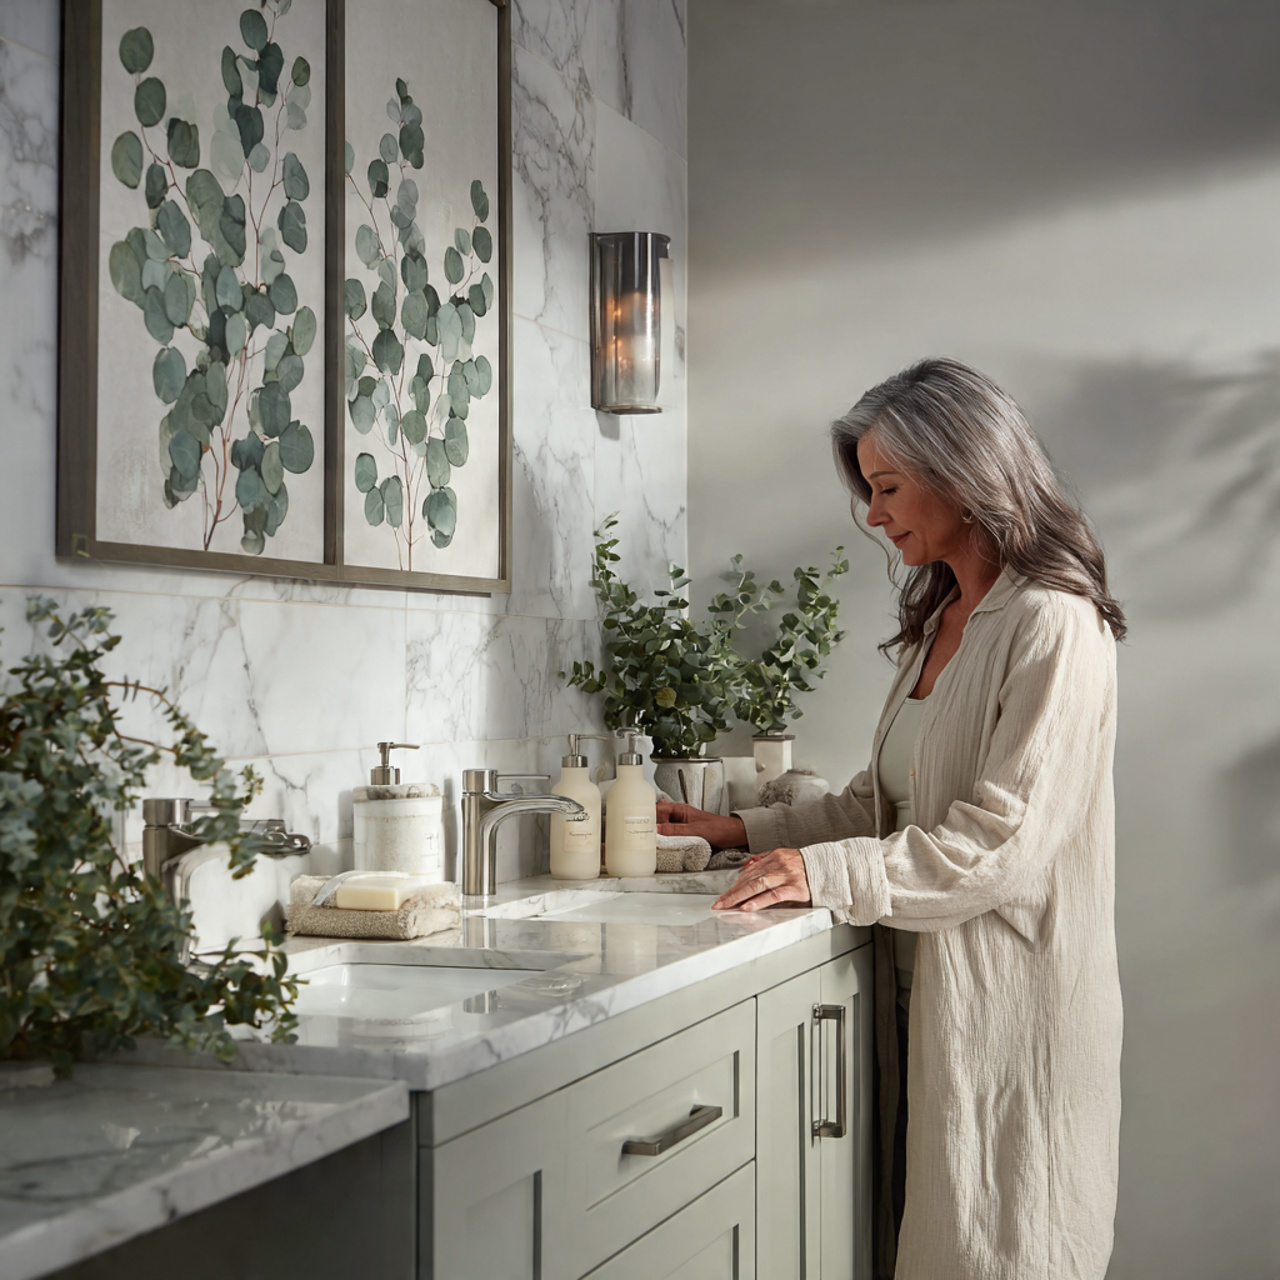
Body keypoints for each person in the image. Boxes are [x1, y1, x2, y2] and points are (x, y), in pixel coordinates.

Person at [658, 357, 1124, 1280]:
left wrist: (825, 874)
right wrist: (739, 834)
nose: (872, 515)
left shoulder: (1053, 623)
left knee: (1002, 1248)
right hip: (912, 1001)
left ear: (962, 470)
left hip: (1006, 1014)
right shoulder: (948, 617)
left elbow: (1003, 843)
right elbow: (884, 806)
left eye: (887, 487)